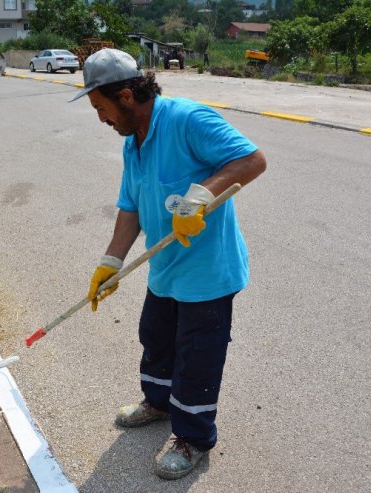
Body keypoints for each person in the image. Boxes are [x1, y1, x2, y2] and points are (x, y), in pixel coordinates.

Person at [70, 49, 266, 480]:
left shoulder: (188, 119)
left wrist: (202, 195)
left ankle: (193, 436)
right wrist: (111, 261)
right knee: (155, 339)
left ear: (124, 96)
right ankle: (158, 403)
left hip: (207, 274)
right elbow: (130, 207)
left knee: (197, 357)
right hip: (165, 269)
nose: (101, 119)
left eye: (101, 108)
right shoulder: (133, 144)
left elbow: (252, 160)